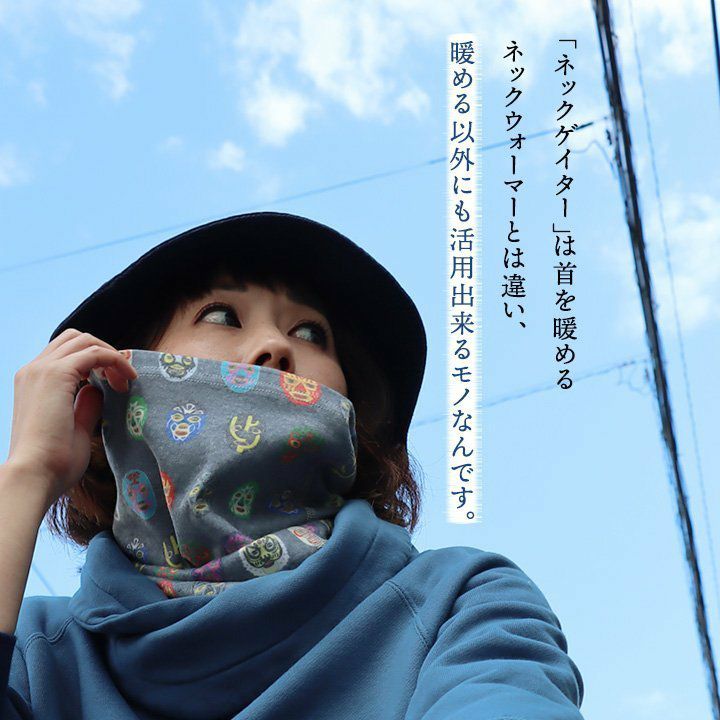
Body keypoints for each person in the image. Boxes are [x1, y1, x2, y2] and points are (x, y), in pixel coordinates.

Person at [0, 211, 586, 719]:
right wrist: (26, 475)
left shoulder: (461, 599)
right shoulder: (35, 654)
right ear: (113, 388)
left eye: (310, 332)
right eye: (222, 316)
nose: (276, 347)